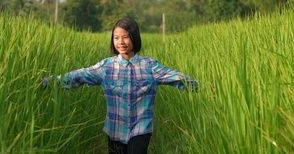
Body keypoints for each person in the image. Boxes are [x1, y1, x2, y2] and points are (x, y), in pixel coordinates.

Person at [42, 17, 198, 154]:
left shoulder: (150, 66)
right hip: (115, 129)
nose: (121, 42)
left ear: (134, 38)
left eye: (125, 37)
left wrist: (203, 86)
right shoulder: (106, 67)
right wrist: (47, 82)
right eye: (116, 38)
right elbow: (79, 75)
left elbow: (177, 77)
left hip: (141, 128)